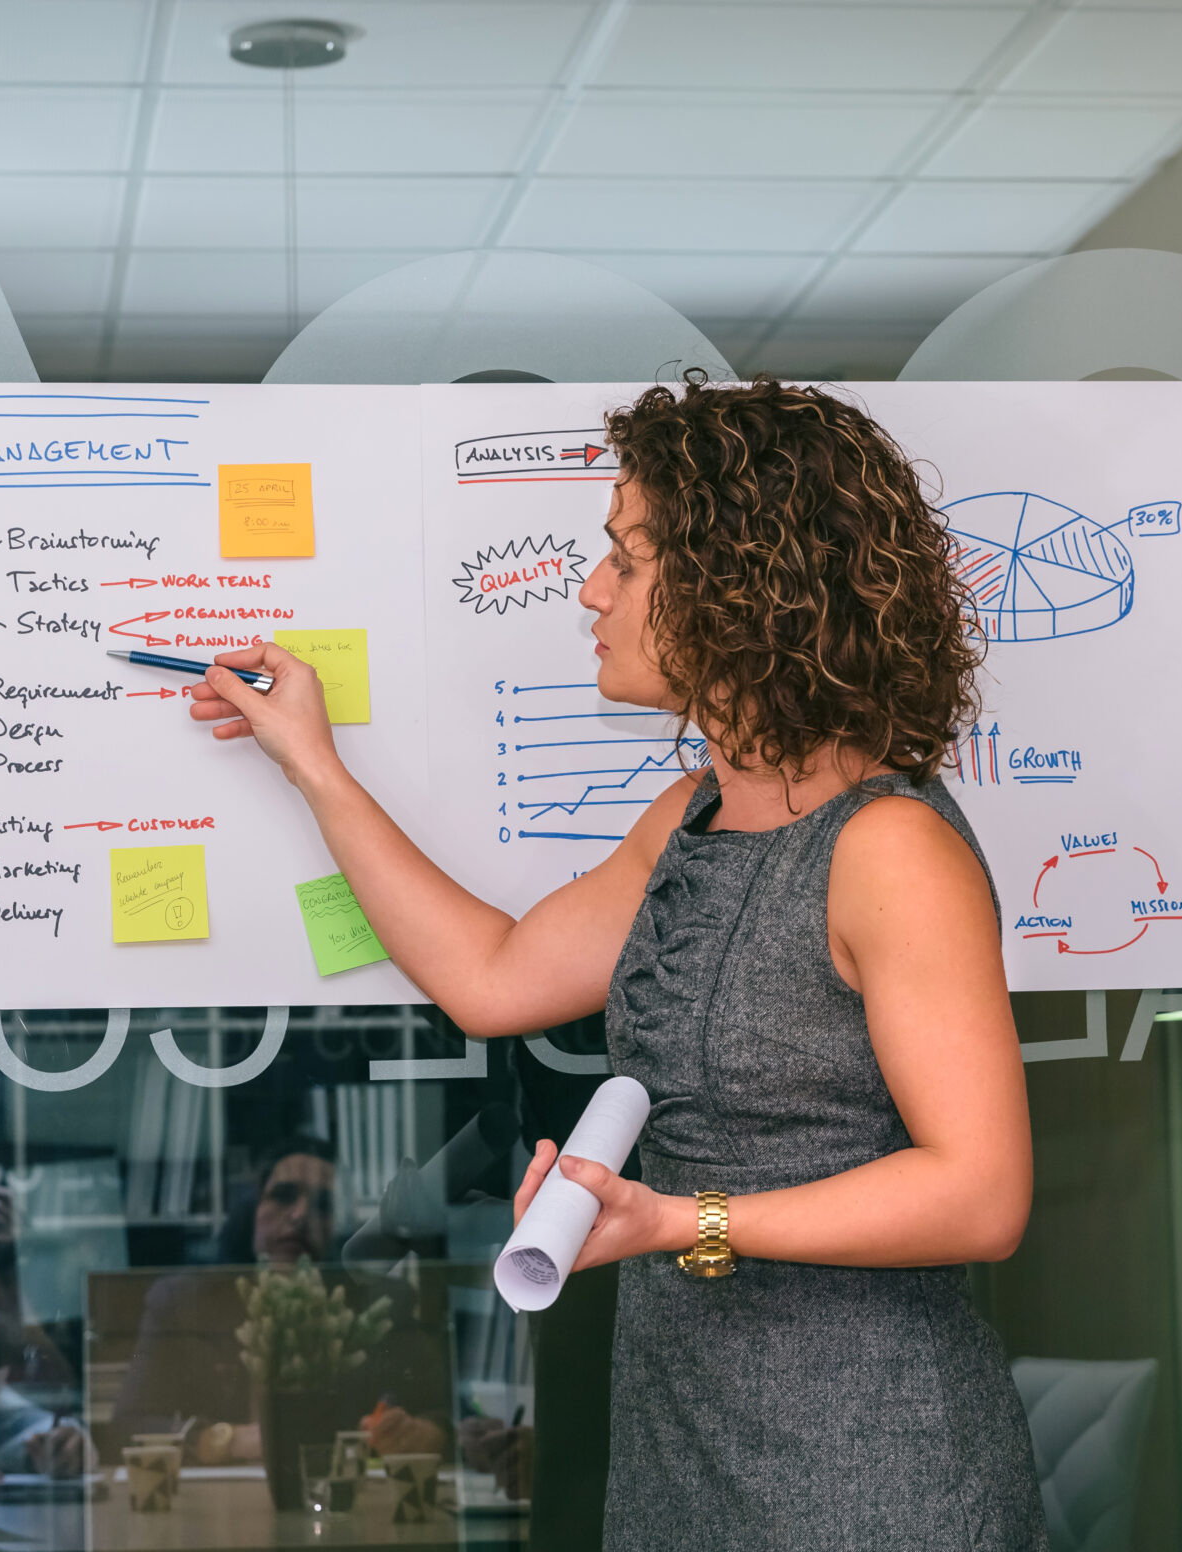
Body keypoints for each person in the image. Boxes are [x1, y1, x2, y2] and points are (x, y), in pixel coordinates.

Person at [187, 376, 1044, 1548]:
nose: (592, 590)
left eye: (626, 561)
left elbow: (980, 1192)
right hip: (689, 1442)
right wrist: (315, 767)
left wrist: (682, 1221)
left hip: (869, 1467)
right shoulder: (695, 811)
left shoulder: (887, 847)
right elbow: (491, 976)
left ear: (742, 584)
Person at [108, 1136, 448, 1462]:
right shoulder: (184, 1303)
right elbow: (127, 1426)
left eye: (322, 1205)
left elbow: (448, 1417)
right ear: (251, 1211)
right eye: (284, 1196)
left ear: (339, 1226)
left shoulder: (381, 1304)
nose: (300, 1215)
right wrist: (223, 1440)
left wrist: (425, 1433)